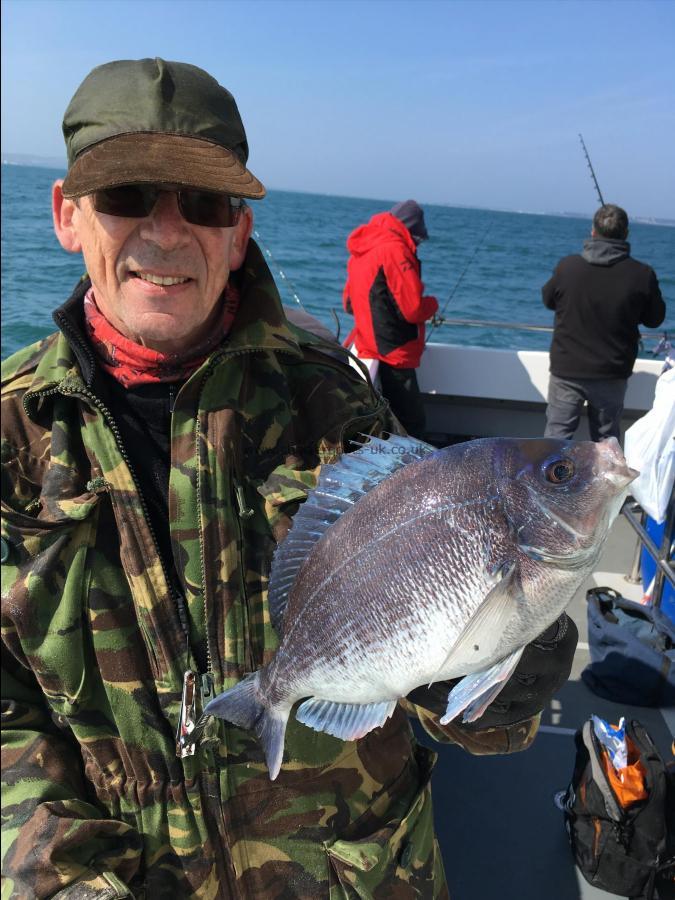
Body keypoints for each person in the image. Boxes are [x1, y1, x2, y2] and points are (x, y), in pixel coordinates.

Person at [1, 58, 577, 898]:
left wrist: (514, 659)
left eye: (203, 203)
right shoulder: (10, 434)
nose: (165, 233)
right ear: (66, 215)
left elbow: (428, 682)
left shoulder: (333, 399)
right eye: (127, 195)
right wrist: (58, 879)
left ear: (238, 231)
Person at [543, 204, 665, 442]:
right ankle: (602, 481)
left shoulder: (568, 267)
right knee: (605, 444)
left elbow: (548, 300)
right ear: (626, 234)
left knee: (556, 440)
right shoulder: (642, 274)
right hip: (612, 371)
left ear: (593, 232)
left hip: (567, 369)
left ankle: (552, 480)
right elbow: (654, 319)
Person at [343, 200, 438, 436]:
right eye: (418, 238)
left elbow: (348, 304)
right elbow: (413, 309)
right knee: (412, 424)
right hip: (393, 350)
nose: (418, 243)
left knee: (384, 421)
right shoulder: (396, 250)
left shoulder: (364, 247)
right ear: (411, 230)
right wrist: (432, 304)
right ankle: (418, 471)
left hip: (367, 344)